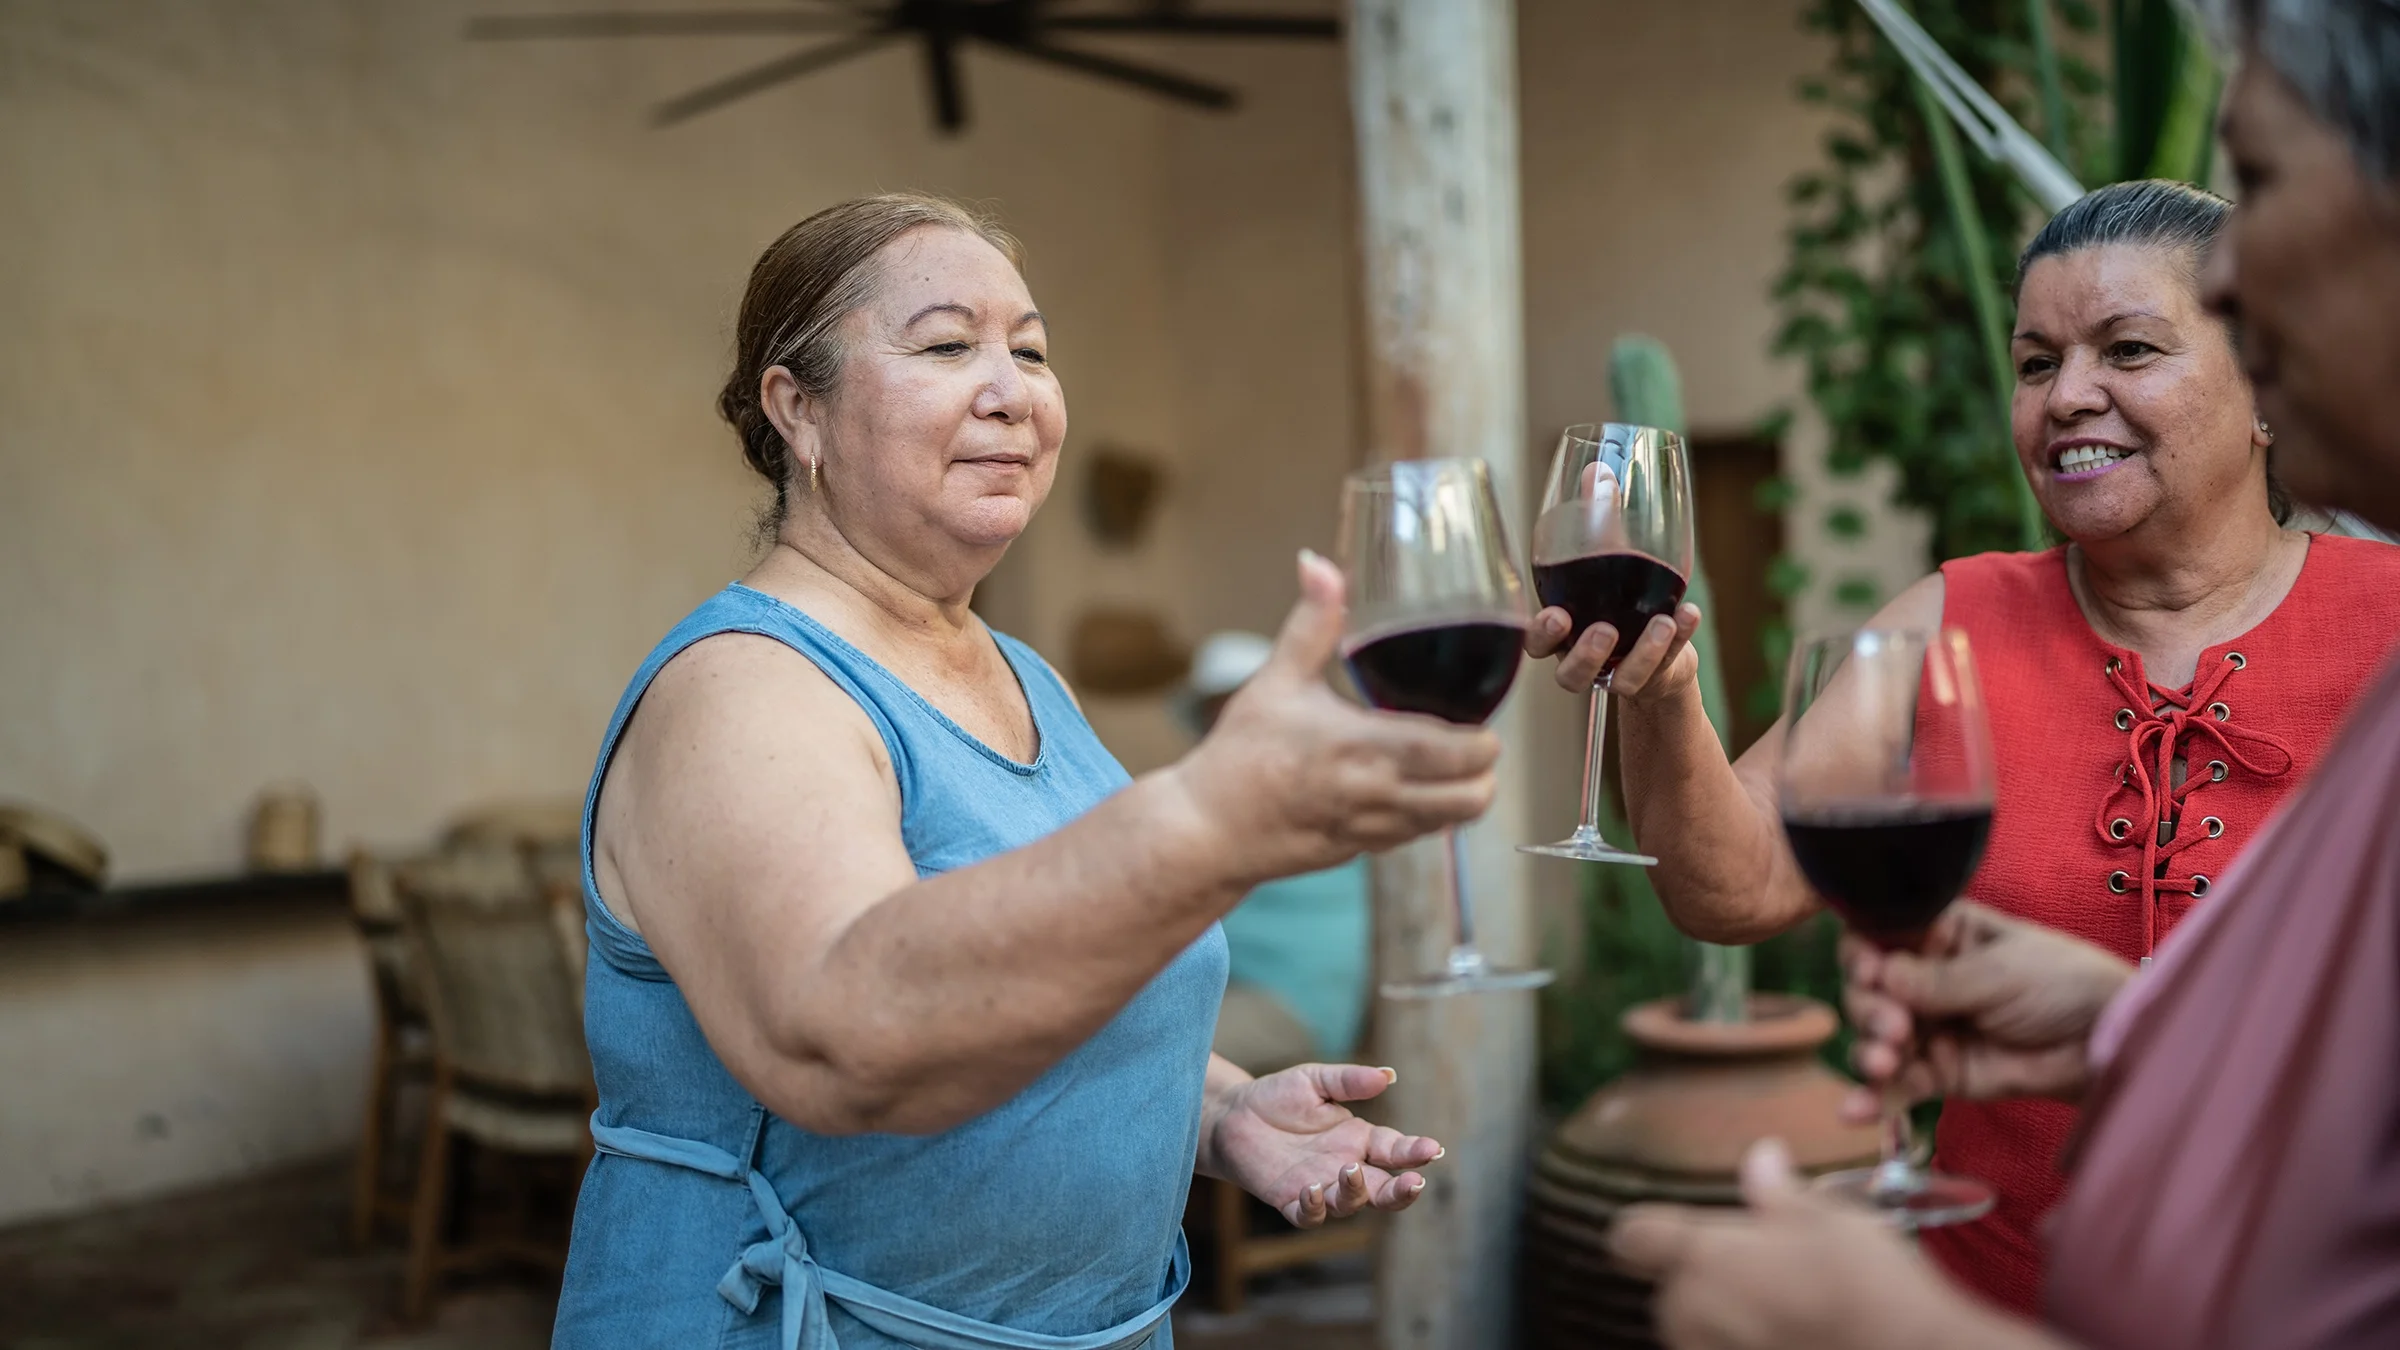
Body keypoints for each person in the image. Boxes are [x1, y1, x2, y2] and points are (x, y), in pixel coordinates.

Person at [551, 194, 1494, 1349]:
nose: (1013, 390)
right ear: (798, 410)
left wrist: (1214, 1111)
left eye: (1032, 351)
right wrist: (1208, 820)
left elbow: (1038, 969)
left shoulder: (1025, 678)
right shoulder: (742, 687)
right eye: (948, 346)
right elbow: (841, 1034)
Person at [1606, 3, 2400, 1344]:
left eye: (2129, 349)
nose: (2066, 395)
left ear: (2254, 361)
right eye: (2036, 363)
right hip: (1984, 1289)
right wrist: (1658, 692)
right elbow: (1732, 882)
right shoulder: (1954, 617)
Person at [1174, 632, 1374, 1075]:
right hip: (1235, 991)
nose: (1228, 732)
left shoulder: (1306, 791)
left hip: (1294, 1003)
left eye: (1243, 714)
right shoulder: (1228, 795)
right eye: (1216, 720)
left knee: (1143, 1053)